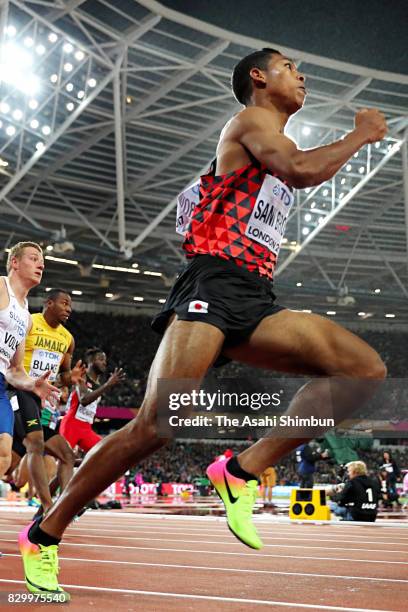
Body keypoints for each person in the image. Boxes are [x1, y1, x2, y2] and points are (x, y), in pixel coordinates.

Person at [19, 48, 388, 596]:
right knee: (155, 426)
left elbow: (285, 170)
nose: (303, 75)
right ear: (259, 77)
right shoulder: (250, 121)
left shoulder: (273, 136)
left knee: (364, 372)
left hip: (255, 295)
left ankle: (239, 471)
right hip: (212, 286)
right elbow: (302, 169)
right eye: (290, 67)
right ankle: (44, 534)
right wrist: (361, 133)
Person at [9, 289, 85, 515]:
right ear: (48, 303)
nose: (69, 309)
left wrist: (69, 380)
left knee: (67, 455)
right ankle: (48, 508)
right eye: (64, 303)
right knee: (36, 443)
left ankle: (62, 504)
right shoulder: (29, 322)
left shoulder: (67, 339)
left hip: (40, 403)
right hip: (18, 392)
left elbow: (63, 377)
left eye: (70, 305)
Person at [0, 242, 59, 479]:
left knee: (4, 453)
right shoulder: (1, 287)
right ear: (14, 262)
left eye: (42, 261)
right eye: (34, 258)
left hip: (1, 384)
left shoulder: (26, 317)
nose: (41, 264)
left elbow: (15, 370)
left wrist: (32, 383)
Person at [59, 348, 126, 454]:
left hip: (86, 429)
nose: (104, 362)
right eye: (101, 359)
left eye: (105, 360)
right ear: (91, 361)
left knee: (107, 454)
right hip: (71, 425)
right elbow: (84, 400)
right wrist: (108, 385)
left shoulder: (98, 384)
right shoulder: (82, 376)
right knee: (63, 460)